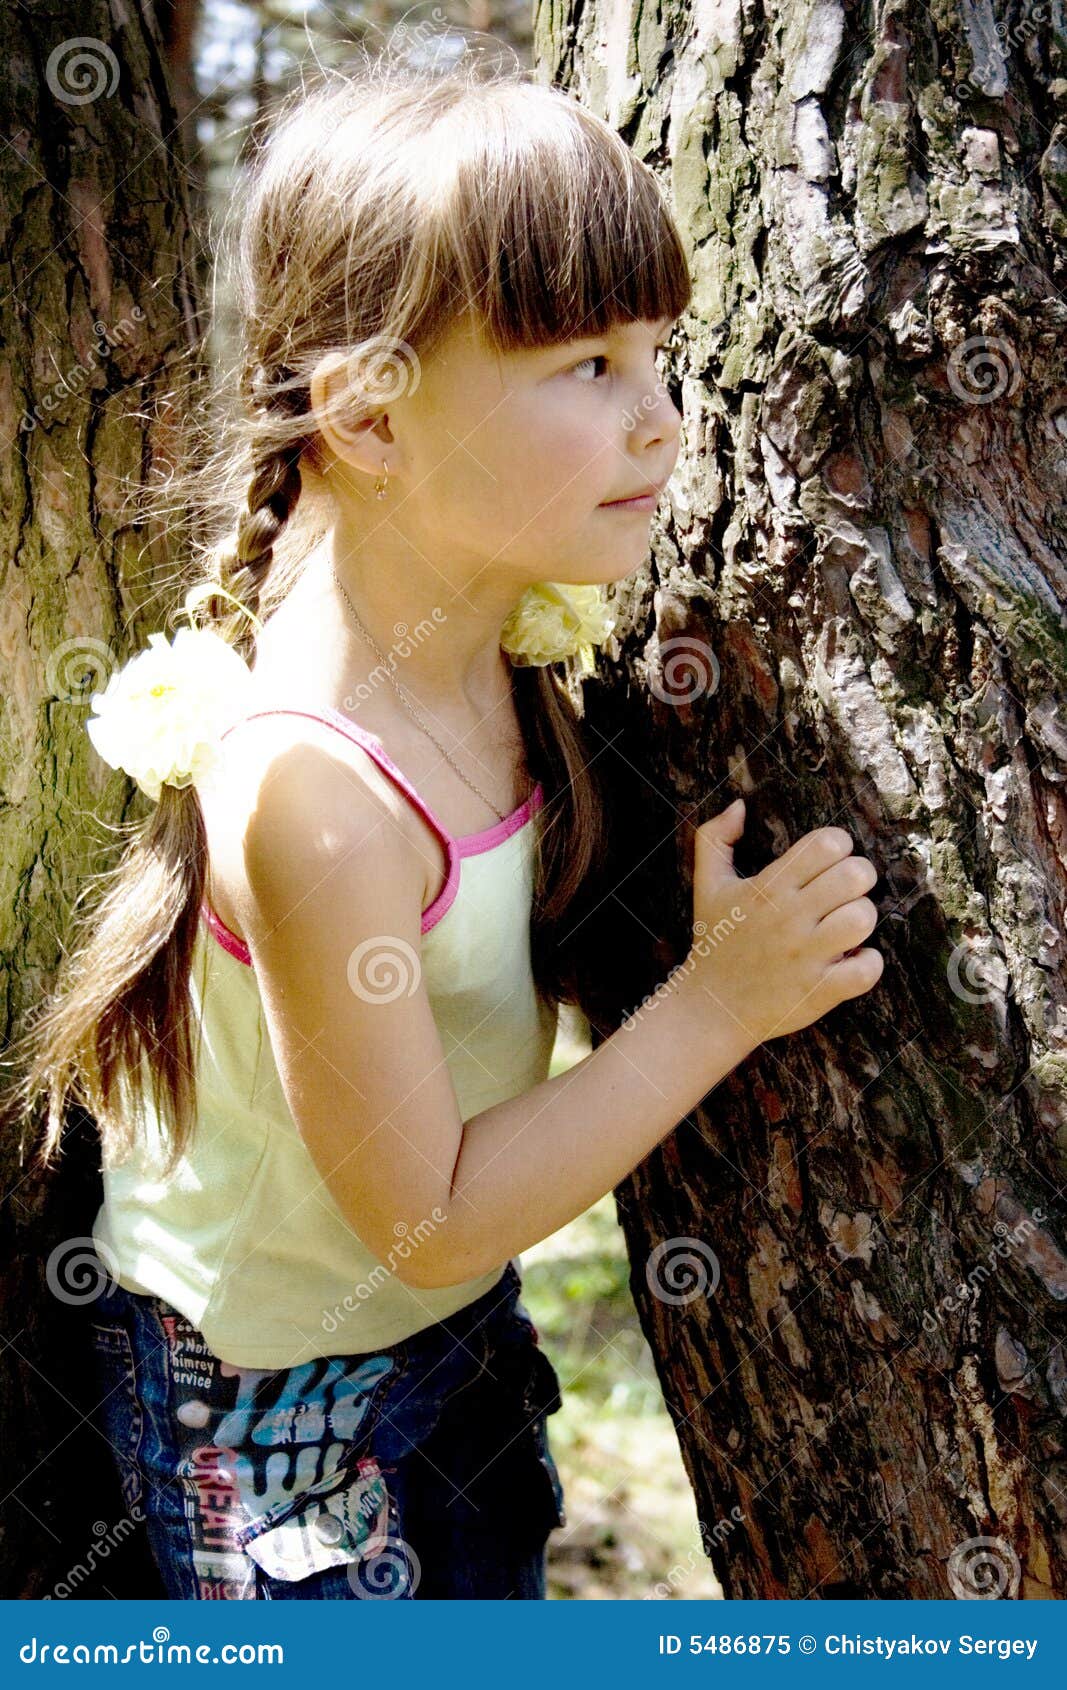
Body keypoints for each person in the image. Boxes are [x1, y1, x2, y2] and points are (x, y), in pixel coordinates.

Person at [4, 45, 884, 1601]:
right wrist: (723, 1004)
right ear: (375, 418)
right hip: (283, 1425)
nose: (666, 421)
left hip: (450, 1357)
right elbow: (424, 1215)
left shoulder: (497, 632)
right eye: (584, 367)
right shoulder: (319, 788)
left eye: (657, 353)